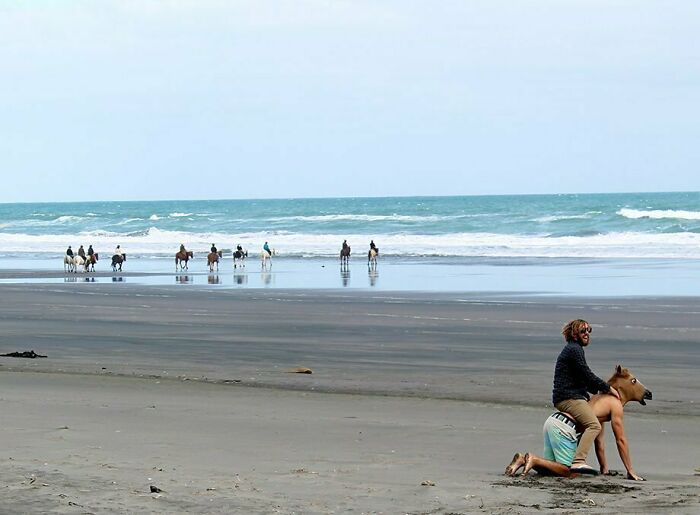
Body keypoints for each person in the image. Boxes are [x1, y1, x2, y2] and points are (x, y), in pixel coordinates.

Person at [505, 365, 650, 481]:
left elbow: (599, 442)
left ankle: (523, 460)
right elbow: (621, 440)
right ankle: (534, 459)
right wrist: (630, 470)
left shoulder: (598, 398)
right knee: (569, 472)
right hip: (565, 428)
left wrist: (604, 469)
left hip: (553, 421)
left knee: (553, 470)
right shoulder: (615, 404)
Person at [552, 319, 619, 474]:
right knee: (594, 425)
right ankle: (578, 460)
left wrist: (598, 390)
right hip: (569, 398)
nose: (587, 334)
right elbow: (587, 375)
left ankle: (602, 468)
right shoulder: (574, 350)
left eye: (589, 330)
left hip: (569, 395)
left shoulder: (573, 349)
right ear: (574, 335)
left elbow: (583, 380)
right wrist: (608, 388)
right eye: (583, 331)